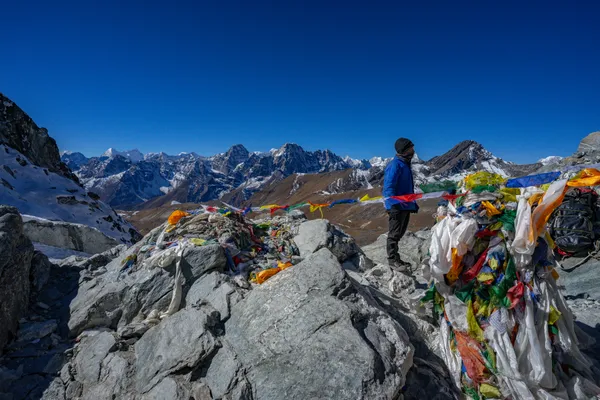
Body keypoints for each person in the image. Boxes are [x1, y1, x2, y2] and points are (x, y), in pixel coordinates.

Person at [383, 138, 419, 271]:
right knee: (394, 233)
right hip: (397, 206)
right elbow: (389, 187)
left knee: (400, 232)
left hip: (404, 205)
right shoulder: (395, 165)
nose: (413, 151)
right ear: (404, 150)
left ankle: (396, 258)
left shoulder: (404, 163)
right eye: (411, 148)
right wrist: (391, 205)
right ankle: (392, 260)